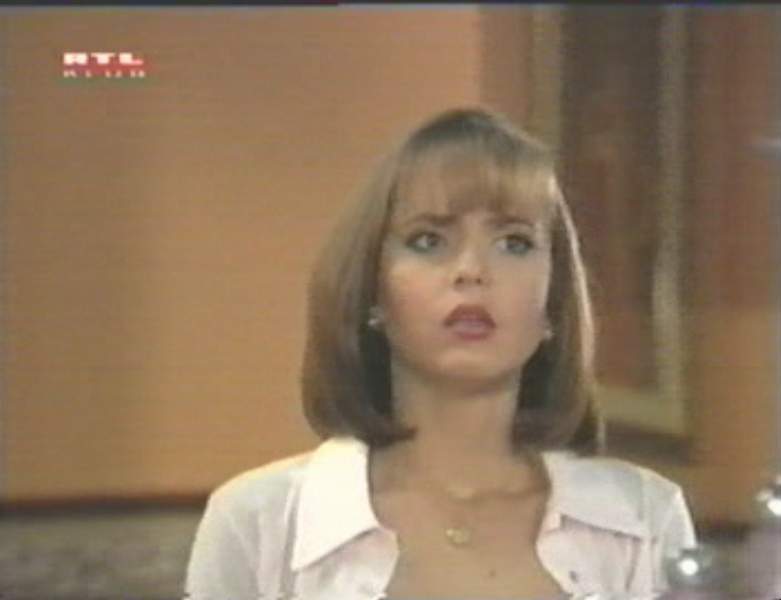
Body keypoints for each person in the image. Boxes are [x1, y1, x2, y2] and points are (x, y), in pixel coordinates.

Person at [184, 107, 697, 600]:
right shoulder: (259, 523)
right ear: (373, 291)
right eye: (428, 241)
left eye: (514, 243)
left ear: (552, 303)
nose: (471, 270)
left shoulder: (645, 519)